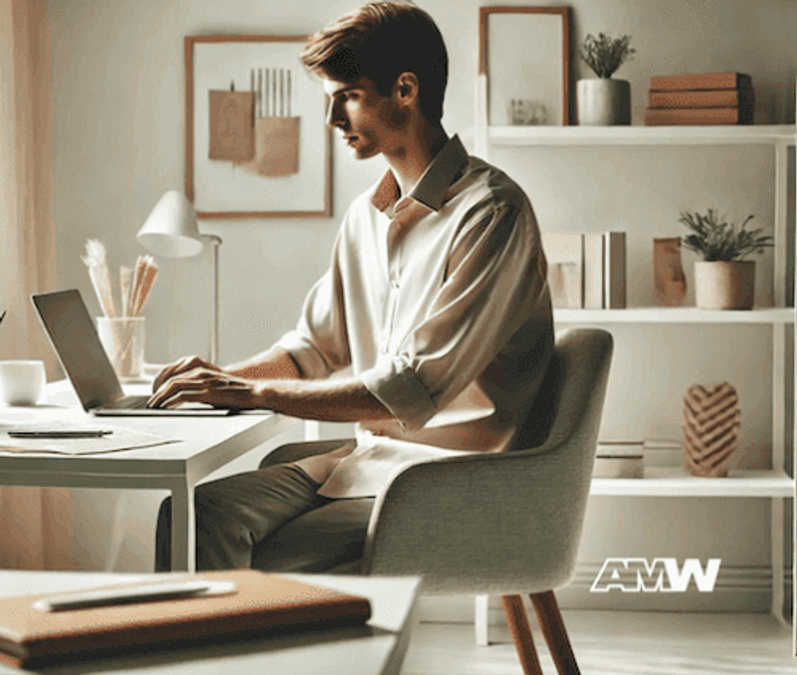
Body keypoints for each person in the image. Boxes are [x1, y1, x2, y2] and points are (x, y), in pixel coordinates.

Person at [149, 1, 554, 573]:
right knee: (194, 515)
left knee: (261, 553)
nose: (332, 119)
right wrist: (223, 378)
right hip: (369, 458)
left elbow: (411, 386)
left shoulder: (491, 213)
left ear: (406, 90)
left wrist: (253, 395)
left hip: (453, 477)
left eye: (347, 96)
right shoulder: (367, 216)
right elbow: (314, 349)